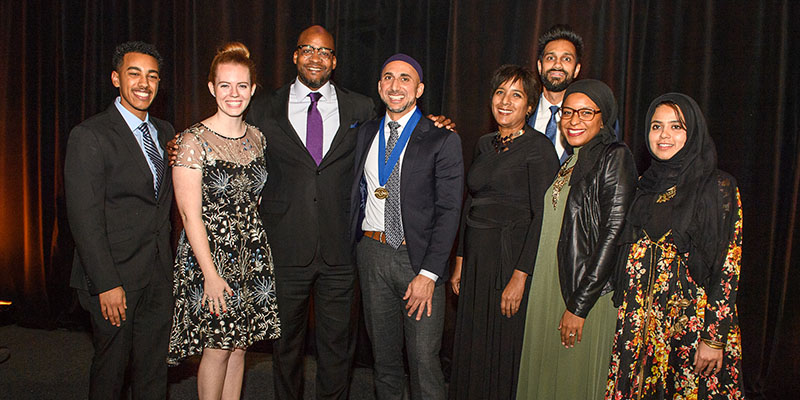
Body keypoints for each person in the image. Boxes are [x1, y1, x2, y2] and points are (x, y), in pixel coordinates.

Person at [606, 93, 744, 399]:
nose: (664, 135)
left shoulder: (718, 188)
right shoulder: (643, 186)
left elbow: (727, 267)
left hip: (691, 330)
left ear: (692, 132)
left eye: (676, 126)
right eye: (656, 126)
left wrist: (715, 338)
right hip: (640, 325)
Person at [167, 42, 280, 399]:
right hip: (210, 257)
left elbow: (255, 200)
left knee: (240, 345)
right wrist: (211, 275)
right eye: (226, 85)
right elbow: (189, 215)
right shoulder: (192, 141)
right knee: (216, 348)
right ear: (212, 88)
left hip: (251, 255)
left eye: (242, 85)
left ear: (253, 89)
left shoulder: (258, 138)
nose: (234, 93)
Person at [349, 54, 464, 400]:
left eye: (405, 78)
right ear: (380, 85)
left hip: (418, 262)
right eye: (388, 77)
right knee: (383, 363)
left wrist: (429, 274)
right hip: (371, 254)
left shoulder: (441, 138)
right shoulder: (364, 133)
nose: (395, 85)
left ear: (420, 88)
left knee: (423, 363)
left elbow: (449, 210)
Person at [64, 41, 174, 399]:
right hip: (113, 279)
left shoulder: (166, 132)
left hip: (157, 272)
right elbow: (84, 218)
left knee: (154, 370)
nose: (144, 83)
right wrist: (106, 283)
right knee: (112, 371)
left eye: (152, 76)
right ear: (115, 79)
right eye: (134, 73)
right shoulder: (90, 135)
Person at [516, 79, 637, 399]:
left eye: (585, 113)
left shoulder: (614, 156)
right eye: (567, 113)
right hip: (549, 284)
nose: (573, 120)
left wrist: (580, 306)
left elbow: (613, 234)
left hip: (582, 292)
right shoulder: (571, 160)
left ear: (604, 117)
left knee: (570, 381)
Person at [448, 65, 559, 400]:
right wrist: (460, 260)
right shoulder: (484, 144)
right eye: (500, 92)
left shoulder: (539, 148)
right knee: (472, 341)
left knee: (502, 345)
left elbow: (542, 217)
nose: (505, 101)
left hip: (509, 259)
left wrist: (520, 276)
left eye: (516, 95)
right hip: (476, 259)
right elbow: (472, 202)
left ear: (529, 106)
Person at [527, 24, 583, 163]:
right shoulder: (522, 113)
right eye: (551, 58)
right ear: (540, 66)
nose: (557, 65)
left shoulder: (589, 119)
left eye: (566, 59)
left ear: (576, 69)